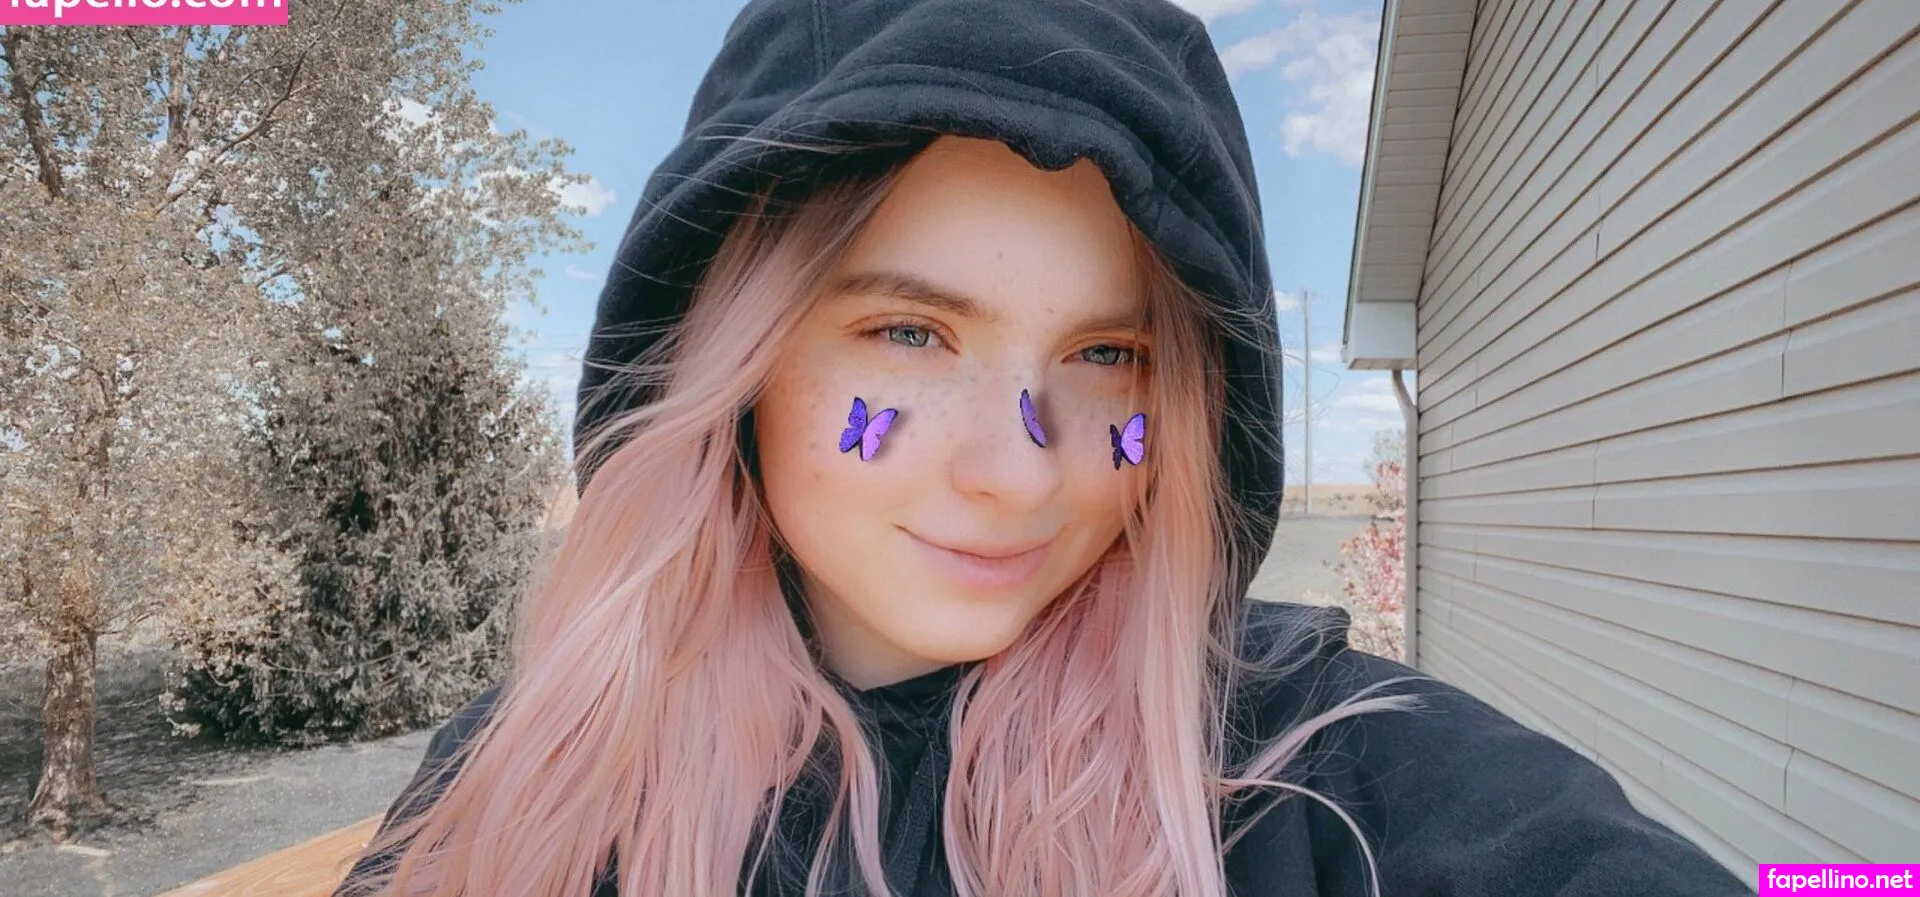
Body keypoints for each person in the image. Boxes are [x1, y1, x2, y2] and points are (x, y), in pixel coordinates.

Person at [335, 0, 1757, 895]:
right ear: (736, 359)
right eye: (910, 333)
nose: (1021, 471)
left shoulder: (1306, 774)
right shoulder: (536, 780)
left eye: (1104, 355)